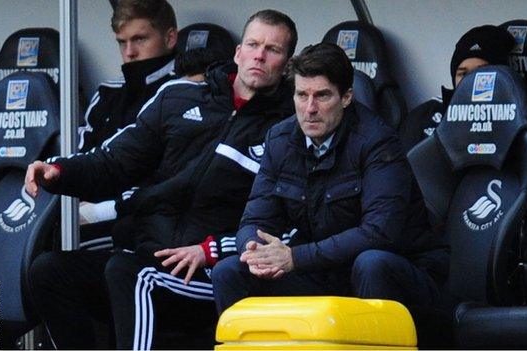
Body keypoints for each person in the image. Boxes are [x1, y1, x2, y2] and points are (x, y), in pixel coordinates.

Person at [26, 9, 297, 349]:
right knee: (50, 271)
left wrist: (210, 250)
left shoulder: (290, 128)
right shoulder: (178, 96)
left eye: (272, 49)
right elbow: (116, 161)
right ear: (238, 52)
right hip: (152, 253)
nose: (259, 55)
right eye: (253, 44)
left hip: (212, 269)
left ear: (287, 63)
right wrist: (59, 172)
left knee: (130, 274)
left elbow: (286, 222)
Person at [211, 42, 448, 314]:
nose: (310, 108)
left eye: (322, 96)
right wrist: (256, 252)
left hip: (400, 273)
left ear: (346, 97)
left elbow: (380, 233)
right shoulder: (280, 139)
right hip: (321, 272)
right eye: (302, 95)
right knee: (230, 271)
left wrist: (295, 257)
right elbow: (256, 218)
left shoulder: (378, 141)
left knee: (371, 263)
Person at [76, 0, 178, 230]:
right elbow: (82, 158)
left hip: (152, 221)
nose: (130, 52)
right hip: (90, 214)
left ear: (170, 38)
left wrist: (103, 210)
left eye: (139, 39)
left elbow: (173, 175)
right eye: (122, 43)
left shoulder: (183, 91)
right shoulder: (108, 92)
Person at [401, 25, 515, 152]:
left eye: (481, 72)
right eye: (463, 74)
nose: (470, 81)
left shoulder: (515, 115)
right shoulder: (424, 115)